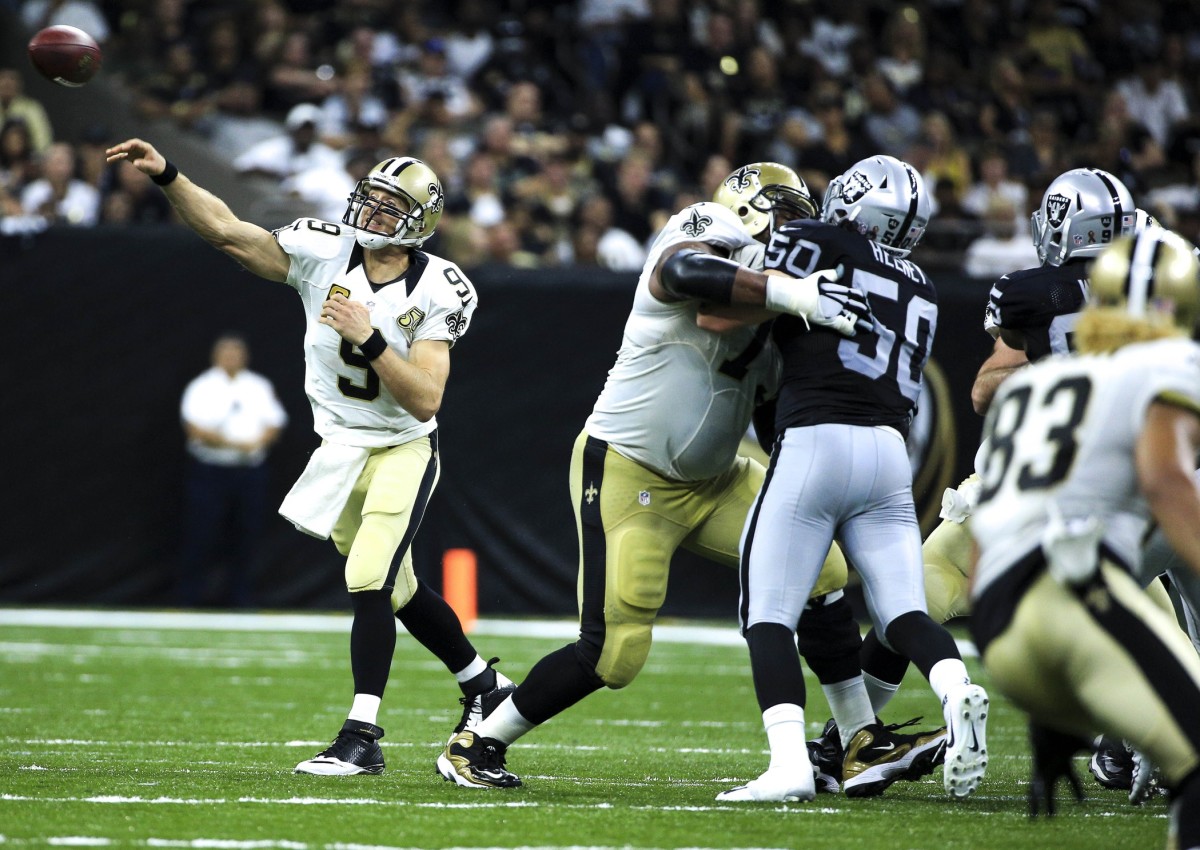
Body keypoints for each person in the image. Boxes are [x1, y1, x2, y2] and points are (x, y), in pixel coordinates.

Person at [436, 162, 941, 797]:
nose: (796, 229)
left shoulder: (782, 309)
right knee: (614, 654)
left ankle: (860, 741)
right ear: (748, 207)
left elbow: (774, 418)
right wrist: (797, 295)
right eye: (783, 211)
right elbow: (683, 273)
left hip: (718, 477)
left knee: (825, 574)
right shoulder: (710, 231)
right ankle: (479, 740)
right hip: (629, 470)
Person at [104, 137, 514, 775]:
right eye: (370, 198)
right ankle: (485, 687)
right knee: (401, 591)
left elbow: (426, 400)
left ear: (420, 221)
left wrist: (368, 335)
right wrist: (168, 175)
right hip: (340, 446)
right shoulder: (324, 252)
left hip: (402, 447)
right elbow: (228, 232)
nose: (371, 212)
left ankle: (362, 735)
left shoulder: (439, 286)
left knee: (370, 579)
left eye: (388, 206)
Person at [734, 154, 990, 802]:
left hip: (816, 438)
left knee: (767, 611)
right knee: (902, 611)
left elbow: (747, 298)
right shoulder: (924, 285)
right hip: (888, 455)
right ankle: (958, 690)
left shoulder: (813, 239)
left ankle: (789, 764)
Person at [969, 226, 1200, 844]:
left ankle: (1121, 731)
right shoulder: (1165, 362)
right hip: (1074, 593)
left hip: (999, 622)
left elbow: (986, 531)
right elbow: (1167, 483)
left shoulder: (1037, 384)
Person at [178, 333, 286, 608]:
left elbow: (274, 422)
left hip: (249, 473)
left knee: (246, 535)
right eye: (226, 353)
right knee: (202, 533)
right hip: (211, 471)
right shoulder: (202, 387)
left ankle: (240, 598)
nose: (232, 358)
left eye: (236, 353)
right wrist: (234, 444)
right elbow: (194, 428)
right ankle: (192, 597)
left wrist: (257, 442)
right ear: (216, 356)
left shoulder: (258, 386)